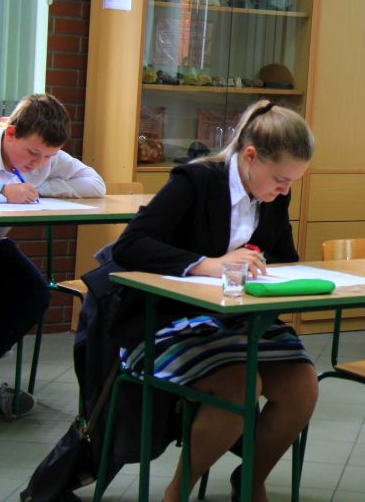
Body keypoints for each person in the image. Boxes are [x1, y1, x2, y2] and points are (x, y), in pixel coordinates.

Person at [111, 100, 316, 502]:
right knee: (240, 384)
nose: (285, 190)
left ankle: (251, 480)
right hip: (167, 319)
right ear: (250, 157)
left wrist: (262, 261)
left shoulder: (273, 196)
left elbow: (285, 258)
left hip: (234, 320)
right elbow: (130, 245)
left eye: (293, 182)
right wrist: (208, 264)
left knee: (301, 386)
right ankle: (178, 491)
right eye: (280, 179)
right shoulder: (196, 181)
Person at [0, 93, 105, 419]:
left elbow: (95, 184)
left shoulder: (46, 158)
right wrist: (0, 191)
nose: (38, 164)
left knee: (34, 294)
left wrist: (38, 189)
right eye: (32, 154)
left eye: (48, 157)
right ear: (11, 133)